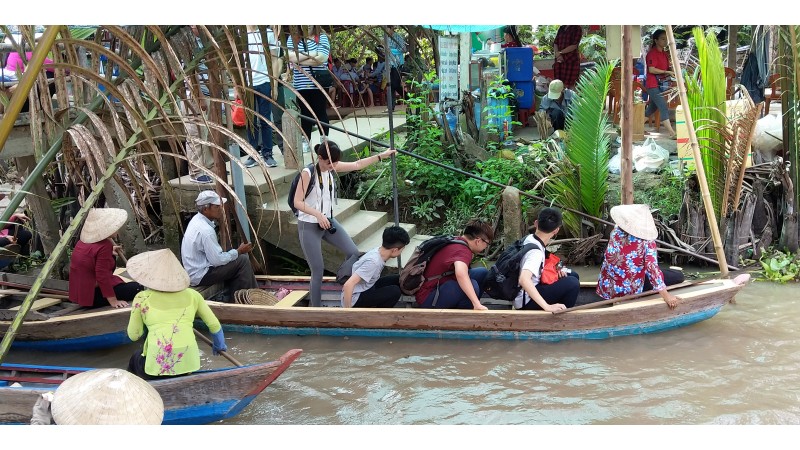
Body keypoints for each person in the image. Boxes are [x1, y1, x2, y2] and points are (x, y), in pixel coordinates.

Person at [294, 141, 396, 307]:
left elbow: (357, 164)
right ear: (320, 158)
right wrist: (317, 214)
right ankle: (315, 310)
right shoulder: (308, 173)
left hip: (327, 221)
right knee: (318, 269)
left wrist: (380, 156)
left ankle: (345, 282)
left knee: (353, 252)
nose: (332, 166)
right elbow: (297, 201)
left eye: (335, 163)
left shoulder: (331, 166)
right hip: (309, 224)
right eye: (329, 163)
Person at [126, 248, 227, 380]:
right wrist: (219, 346)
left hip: (156, 368)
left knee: (135, 358)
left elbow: (134, 335)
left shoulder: (141, 298)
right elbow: (214, 325)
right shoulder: (194, 295)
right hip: (188, 365)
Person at [597, 204, 684, 309]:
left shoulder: (615, 233)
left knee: (660, 272)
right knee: (679, 276)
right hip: (630, 290)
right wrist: (667, 296)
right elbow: (652, 268)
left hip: (607, 287)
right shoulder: (646, 241)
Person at [181, 190, 258, 300]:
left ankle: (239, 295)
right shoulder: (206, 231)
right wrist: (239, 251)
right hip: (200, 275)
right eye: (217, 207)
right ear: (206, 209)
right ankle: (245, 300)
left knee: (233, 257)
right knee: (242, 260)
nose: (221, 209)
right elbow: (217, 261)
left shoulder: (196, 219)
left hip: (195, 271)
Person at [68, 208, 144, 308]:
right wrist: (113, 301)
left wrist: (109, 252)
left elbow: (90, 257)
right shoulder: (104, 246)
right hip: (92, 297)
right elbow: (102, 276)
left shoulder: (82, 242)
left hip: (79, 294)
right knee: (138, 288)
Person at [415, 219, 494, 310]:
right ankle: (467, 314)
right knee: (473, 286)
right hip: (428, 297)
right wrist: (476, 303)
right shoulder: (462, 251)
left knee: (482, 272)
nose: (486, 247)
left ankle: (470, 307)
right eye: (487, 244)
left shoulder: (456, 240)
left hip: (439, 286)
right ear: (478, 241)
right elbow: (461, 274)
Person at [515, 208, 579, 312]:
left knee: (571, 275)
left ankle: (560, 308)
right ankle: (562, 318)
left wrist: (556, 271)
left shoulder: (530, 238)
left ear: (536, 223)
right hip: (526, 301)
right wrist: (547, 307)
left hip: (529, 290)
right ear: (556, 230)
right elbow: (523, 279)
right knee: (573, 283)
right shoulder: (535, 253)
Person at [286, 26, 331, 153]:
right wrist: (313, 56)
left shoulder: (322, 37)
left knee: (320, 112)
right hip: (301, 84)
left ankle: (324, 140)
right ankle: (306, 141)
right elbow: (289, 57)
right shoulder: (293, 39)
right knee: (305, 113)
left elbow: (322, 58)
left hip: (319, 83)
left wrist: (300, 60)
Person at [341, 226, 410, 308]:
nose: (402, 252)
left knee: (399, 278)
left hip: (366, 287)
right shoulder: (373, 262)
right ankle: (379, 316)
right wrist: (347, 312)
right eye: (402, 249)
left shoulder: (379, 251)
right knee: (395, 291)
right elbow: (348, 285)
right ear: (395, 250)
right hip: (355, 298)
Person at [244, 25, 279, 168]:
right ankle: (253, 153)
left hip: (264, 81)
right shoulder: (240, 35)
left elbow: (275, 59)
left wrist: (274, 84)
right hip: (247, 83)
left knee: (265, 119)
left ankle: (267, 154)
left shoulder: (267, 33)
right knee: (250, 120)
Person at [183, 25, 214, 184]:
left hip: (205, 92)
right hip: (193, 96)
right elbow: (190, 73)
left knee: (203, 133)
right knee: (194, 134)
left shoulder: (202, 40)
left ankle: (207, 166)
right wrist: (199, 97)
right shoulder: (187, 43)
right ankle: (196, 172)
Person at [644, 29, 678, 140]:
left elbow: (667, 68)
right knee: (663, 106)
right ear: (656, 40)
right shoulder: (651, 53)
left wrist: (673, 70)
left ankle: (633, 125)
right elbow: (651, 69)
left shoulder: (664, 54)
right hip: (652, 84)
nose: (665, 41)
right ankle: (672, 132)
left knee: (651, 110)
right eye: (663, 39)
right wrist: (666, 72)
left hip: (662, 85)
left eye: (666, 39)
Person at [553, 25, 583, 90]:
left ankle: (571, 99)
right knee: (559, 84)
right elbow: (555, 43)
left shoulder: (577, 28)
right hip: (559, 60)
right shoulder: (561, 28)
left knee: (570, 85)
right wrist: (558, 54)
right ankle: (561, 100)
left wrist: (560, 53)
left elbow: (574, 45)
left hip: (571, 60)